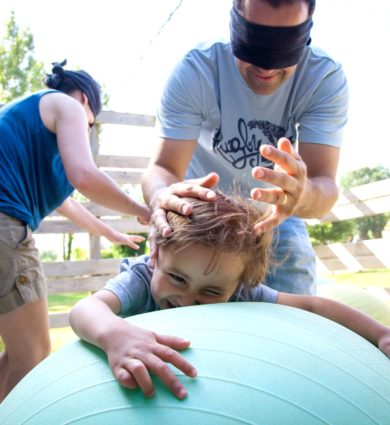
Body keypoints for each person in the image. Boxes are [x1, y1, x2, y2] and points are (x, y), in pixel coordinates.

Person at [70, 194, 390, 400]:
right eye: (177, 278)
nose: (187, 298)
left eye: (211, 291)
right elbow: (86, 308)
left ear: (237, 283)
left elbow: (310, 305)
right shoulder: (141, 279)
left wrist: (381, 334)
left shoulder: (239, 292)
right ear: (155, 257)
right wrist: (115, 335)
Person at [141, 0, 349, 295]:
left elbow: (325, 186)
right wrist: (162, 196)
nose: (267, 65)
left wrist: (302, 195)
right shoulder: (197, 70)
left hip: (273, 214)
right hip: (200, 211)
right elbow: (162, 169)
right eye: (255, 42)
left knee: (294, 281)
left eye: (284, 48)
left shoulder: (323, 78)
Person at [0, 60, 150, 401]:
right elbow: (84, 174)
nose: (86, 130)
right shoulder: (66, 104)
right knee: (34, 355)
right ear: (85, 99)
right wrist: (142, 208)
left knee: (16, 353)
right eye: (91, 124)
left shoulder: (29, 133)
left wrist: (112, 234)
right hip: (5, 224)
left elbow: (70, 203)